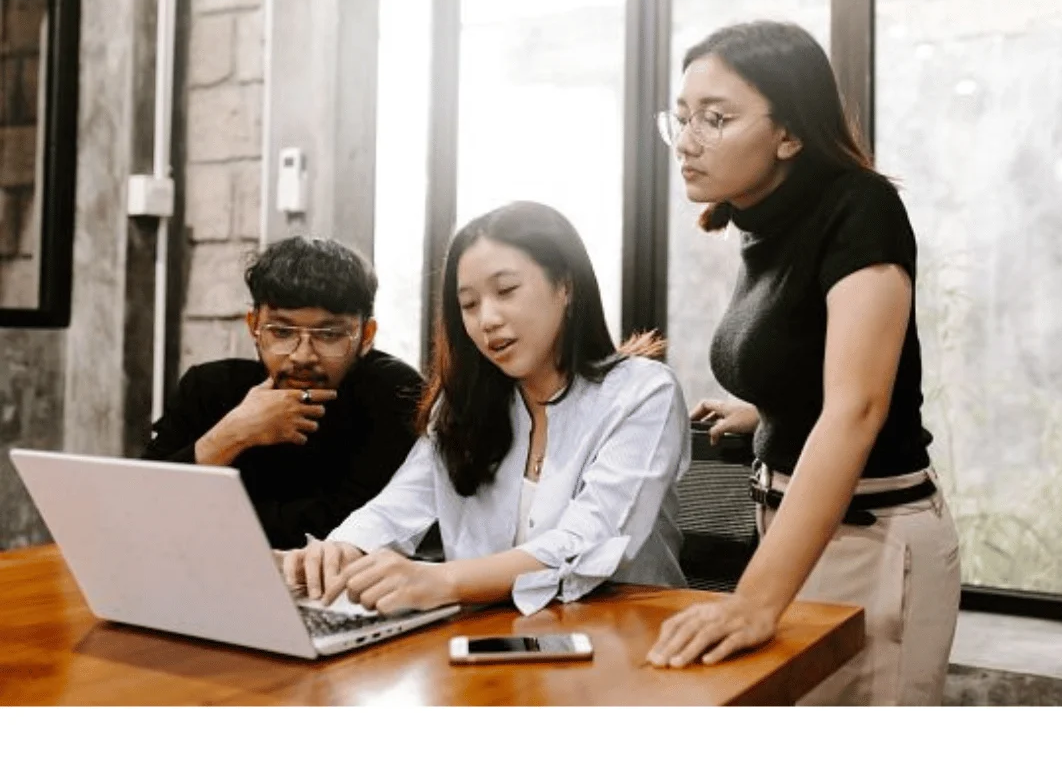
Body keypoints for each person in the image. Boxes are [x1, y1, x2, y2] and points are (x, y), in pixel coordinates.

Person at [645, 21, 960, 706]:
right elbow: (820, 361)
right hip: (793, 532)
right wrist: (770, 408)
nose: (689, 140)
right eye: (683, 117)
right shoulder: (763, 219)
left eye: (716, 118)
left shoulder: (861, 208)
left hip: (869, 543)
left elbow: (860, 406)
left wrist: (754, 603)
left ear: (789, 133)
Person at [281, 201, 689, 616]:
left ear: (565, 285)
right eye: (469, 304)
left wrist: (441, 580)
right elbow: (398, 505)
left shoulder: (642, 392)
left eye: (506, 291)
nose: (486, 319)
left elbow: (588, 542)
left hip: (631, 641)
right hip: (494, 642)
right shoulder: (463, 405)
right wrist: (339, 549)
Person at [144, 236, 423, 550]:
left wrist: (200, 519)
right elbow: (140, 507)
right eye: (282, 331)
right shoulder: (208, 387)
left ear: (366, 335)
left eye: (329, 334)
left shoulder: (394, 391)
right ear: (254, 326)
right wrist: (233, 434)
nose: (303, 356)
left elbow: (348, 526)